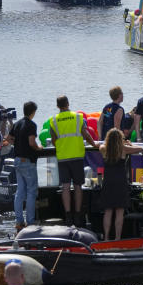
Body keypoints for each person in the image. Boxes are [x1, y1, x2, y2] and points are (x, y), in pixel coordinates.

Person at [49, 95, 98, 224]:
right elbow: (86, 134)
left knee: (65, 187)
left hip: (62, 156)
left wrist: (61, 146)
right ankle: (78, 214)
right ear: (68, 103)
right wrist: (94, 145)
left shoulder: (53, 120)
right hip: (77, 155)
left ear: (57, 106)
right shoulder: (78, 117)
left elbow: (53, 140)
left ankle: (68, 215)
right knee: (78, 186)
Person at [99, 128, 143, 240]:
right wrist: (129, 143)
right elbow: (139, 148)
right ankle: (118, 238)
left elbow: (102, 145)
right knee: (119, 211)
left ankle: (106, 238)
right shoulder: (123, 149)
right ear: (120, 139)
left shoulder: (103, 148)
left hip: (108, 181)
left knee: (108, 211)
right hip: (120, 181)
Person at [7, 101, 41, 231]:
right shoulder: (31, 125)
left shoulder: (17, 124)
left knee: (20, 192)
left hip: (17, 160)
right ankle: (30, 222)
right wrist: (38, 148)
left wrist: (17, 142)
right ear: (33, 112)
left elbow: (8, 139)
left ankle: (19, 221)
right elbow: (32, 143)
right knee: (32, 191)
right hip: (27, 161)